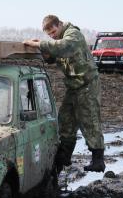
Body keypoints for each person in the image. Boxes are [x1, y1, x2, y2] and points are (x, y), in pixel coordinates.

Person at [24, 15, 106, 172]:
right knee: (66, 119)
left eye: (53, 31)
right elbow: (51, 58)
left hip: (87, 84)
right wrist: (42, 49)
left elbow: (63, 47)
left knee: (89, 118)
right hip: (73, 85)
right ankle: (64, 156)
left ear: (59, 24)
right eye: (49, 34)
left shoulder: (72, 34)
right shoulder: (58, 40)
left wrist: (40, 43)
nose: (52, 35)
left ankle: (98, 159)